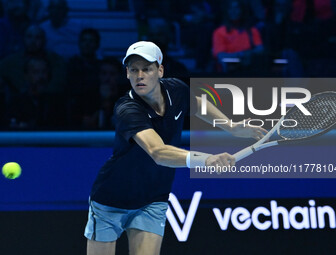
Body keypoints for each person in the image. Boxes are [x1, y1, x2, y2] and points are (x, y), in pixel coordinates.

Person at [84, 41, 267, 255]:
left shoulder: (176, 90)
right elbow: (158, 152)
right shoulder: (128, 109)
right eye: (133, 70)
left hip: (152, 199)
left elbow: (198, 105)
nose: (139, 75)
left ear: (160, 70)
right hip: (111, 200)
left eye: (147, 69)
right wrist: (205, 159)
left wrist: (231, 126)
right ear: (127, 73)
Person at [212, 0, 264, 74]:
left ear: (242, 11)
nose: (234, 11)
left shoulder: (252, 31)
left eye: (237, 8)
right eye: (230, 8)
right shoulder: (219, 32)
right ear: (227, 11)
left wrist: (249, 55)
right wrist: (242, 54)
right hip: (228, 72)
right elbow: (221, 56)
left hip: (249, 70)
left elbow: (260, 49)